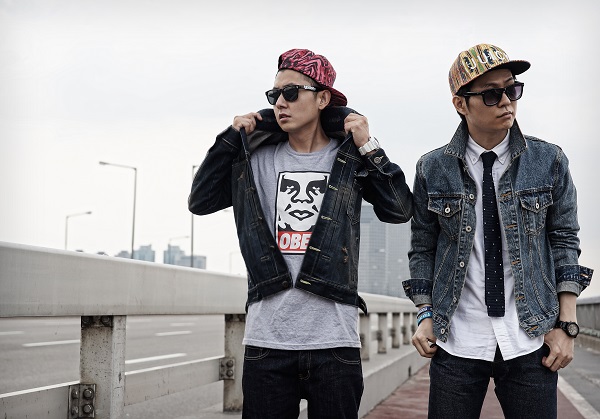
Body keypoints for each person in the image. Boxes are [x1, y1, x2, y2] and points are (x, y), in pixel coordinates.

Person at [189, 48, 413, 419]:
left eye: (291, 93)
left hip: (335, 341)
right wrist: (231, 137)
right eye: (274, 95)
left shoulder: (348, 158)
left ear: (323, 99)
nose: (281, 103)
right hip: (267, 342)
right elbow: (200, 201)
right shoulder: (256, 159)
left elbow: (399, 209)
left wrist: (368, 144)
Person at [402, 43, 594, 418]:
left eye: (512, 89)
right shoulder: (432, 168)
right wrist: (425, 313)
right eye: (492, 94)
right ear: (461, 104)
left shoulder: (549, 160)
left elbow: (564, 240)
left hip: (530, 338)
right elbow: (423, 248)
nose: (506, 101)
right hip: (456, 339)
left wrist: (566, 325)